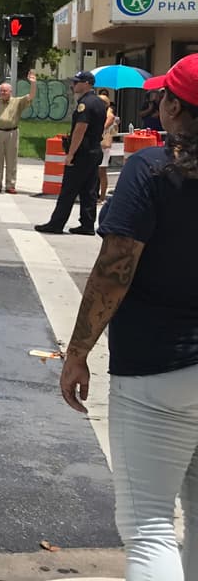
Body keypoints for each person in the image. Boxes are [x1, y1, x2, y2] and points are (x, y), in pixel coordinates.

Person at [58, 53, 198, 580]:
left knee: (150, 527)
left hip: (158, 368)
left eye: (165, 97)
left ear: (175, 107)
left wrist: (76, 354)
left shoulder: (152, 170)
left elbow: (113, 270)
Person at [35, 71, 107, 235]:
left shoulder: (85, 104)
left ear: (87, 83)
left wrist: (71, 154)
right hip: (94, 150)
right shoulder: (98, 102)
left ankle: (56, 223)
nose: (73, 85)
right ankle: (87, 224)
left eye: (77, 82)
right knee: (89, 190)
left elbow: (80, 130)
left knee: (69, 189)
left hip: (82, 151)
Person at [0, 70, 38, 193]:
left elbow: (31, 96)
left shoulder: (17, 102)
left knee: (11, 160)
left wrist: (33, 84)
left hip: (12, 133)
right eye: (1, 91)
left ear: (10, 92)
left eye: (5, 91)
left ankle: (10, 185)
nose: (3, 93)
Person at [99, 88, 117, 202]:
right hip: (100, 144)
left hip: (104, 145)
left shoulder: (109, 114)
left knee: (102, 171)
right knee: (98, 171)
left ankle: (102, 196)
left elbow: (103, 127)